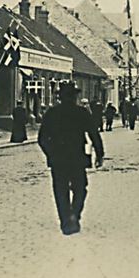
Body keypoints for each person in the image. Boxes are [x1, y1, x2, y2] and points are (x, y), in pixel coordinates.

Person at [38, 81, 104, 236]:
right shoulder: (81, 113)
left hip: (58, 160)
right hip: (77, 157)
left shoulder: (51, 113)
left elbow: (42, 139)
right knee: (80, 188)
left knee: (60, 190)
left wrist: (51, 153)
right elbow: (94, 134)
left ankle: (66, 222)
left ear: (60, 97)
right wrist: (99, 154)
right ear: (74, 97)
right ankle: (75, 214)